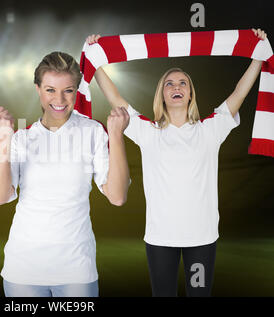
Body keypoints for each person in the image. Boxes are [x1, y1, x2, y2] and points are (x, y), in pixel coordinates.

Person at [86, 28, 267, 297]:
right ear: (162, 95)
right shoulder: (147, 131)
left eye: (183, 83)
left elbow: (239, 92)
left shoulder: (210, 129)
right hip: (160, 240)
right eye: (169, 84)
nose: (176, 87)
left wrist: (258, 55)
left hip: (202, 239)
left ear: (191, 94)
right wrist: (96, 60)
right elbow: (116, 99)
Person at [0, 51, 131, 297]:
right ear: (38, 89)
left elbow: (117, 196)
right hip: (23, 270)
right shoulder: (21, 137)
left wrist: (116, 136)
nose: (60, 99)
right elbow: (0, 196)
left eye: (68, 90)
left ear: (77, 91)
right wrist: (2, 137)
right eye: (50, 89)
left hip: (76, 270)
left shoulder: (93, 132)